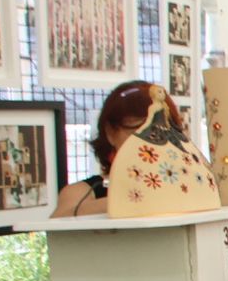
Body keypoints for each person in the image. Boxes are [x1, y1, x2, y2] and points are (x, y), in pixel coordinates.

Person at [54, 80, 155, 217]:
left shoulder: (186, 186)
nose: (150, 142)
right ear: (111, 133)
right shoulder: (82, 192)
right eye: (138, 131)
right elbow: (61, 220)